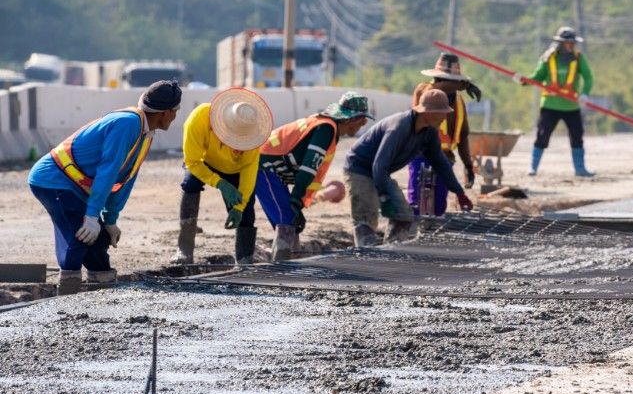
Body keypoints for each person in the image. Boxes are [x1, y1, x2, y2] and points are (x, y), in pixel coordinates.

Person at [28, 81, 182, 295]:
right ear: (165, 112)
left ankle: (102, 290)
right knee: (79, 236)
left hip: (75, 186)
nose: (175, 117)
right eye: (175, 111)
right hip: (53, 180)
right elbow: (107, 171)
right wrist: (91, 216)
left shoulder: (146, 134)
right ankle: (66, 293)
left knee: (98, 240)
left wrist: (109, 220)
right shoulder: (127, 124)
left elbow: (125, 179)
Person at [344, 87, 474, 246]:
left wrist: (459, 192)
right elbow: (379, 164)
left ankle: (390, 250)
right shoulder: (399, 127)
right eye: (442, 112)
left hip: (380, 171)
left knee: (404, 216)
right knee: (366, 218)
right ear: (428, 112)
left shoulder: (430, 132)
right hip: (359, 168)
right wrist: (384, 197)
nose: (445, 117)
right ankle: (365, 254)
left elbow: (441, 164)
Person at [257, 91, 374, 261]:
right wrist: (296, 199)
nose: (362, 125)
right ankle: (281, 267)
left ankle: (289, 263)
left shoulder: (326, 126)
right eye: (362, 121)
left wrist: (299, 202)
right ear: (352, 119)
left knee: (292, 223)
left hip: (272, 170)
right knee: (287, 221)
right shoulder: (326, 129)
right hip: (263, 168)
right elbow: (308, 168)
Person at [173, 87, 274, 265]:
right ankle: (184, 251)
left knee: (246, 212)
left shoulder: (252, 133)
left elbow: (249, 172)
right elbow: (192, 161)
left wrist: (239, 208)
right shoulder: (198, 119)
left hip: (234, 169)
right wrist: (221, 184)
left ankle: (245, 259)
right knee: (190, 184)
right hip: (204, 163)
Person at [408, 53, 481, 216]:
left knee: (439, 205)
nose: (444, 82)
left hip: (445, 157)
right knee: (415, 200)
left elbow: (462, 136)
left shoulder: (459, 102)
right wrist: (462, 84)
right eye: (442, 78)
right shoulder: (424, 90)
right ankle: (410, 229)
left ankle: (431, 231)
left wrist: (468, 165)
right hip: (421, 152)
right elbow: (435, 90)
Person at [519, 26, 595, 178]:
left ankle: (580, 169)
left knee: (577, 136)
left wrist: (585, 94)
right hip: (550, 105)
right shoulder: (548, 58)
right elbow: (538, 77)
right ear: (560, 43)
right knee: (542, 135)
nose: (571, 46)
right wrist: (525, 80)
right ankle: (533, 167)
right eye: (568, 43)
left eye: (573, 43)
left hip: (571, 105)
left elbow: (588, 77)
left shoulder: (578, 58)